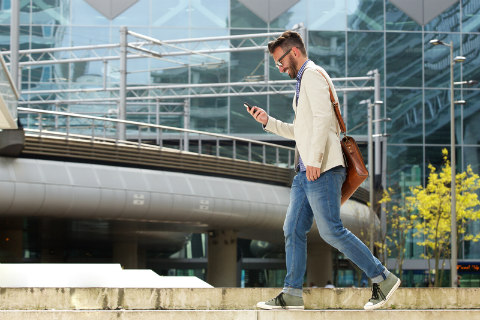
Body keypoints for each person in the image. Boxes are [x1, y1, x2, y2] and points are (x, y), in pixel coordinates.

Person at [246, 30, 400, 311]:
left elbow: (321, 119)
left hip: (323, 168)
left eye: (280, 61)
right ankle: (291, 293)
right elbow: (301, 130)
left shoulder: (313, 75)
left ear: (294, 52)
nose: (279, 68)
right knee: (292, 229)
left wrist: (315, 160)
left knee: (331, 231)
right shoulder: (302, 82)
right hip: (305, 172)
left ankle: (383, 278)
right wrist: (268, 122)